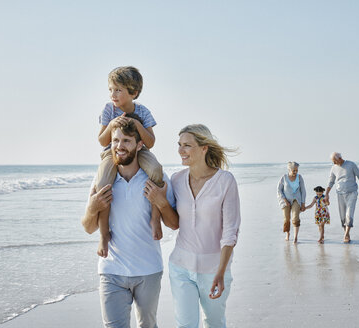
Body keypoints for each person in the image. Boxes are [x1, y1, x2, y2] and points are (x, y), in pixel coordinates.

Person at [81, 117, 178, 328]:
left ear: (139, 144)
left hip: (148, 270)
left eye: (126, 141)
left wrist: (161, 203)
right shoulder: (102, 179)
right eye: (115, 141)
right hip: (111, 270)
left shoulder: (156, 178)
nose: (119, 146)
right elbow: (88, 227)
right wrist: (93, 207)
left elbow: (173, 224)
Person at [144, 124, 241, 328]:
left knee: (214, 323)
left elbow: (230, 232)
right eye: (179, 145)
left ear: (204, 148)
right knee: (185, 325)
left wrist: (221, 272)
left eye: (187, 145)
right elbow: (174, 224)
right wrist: (160, 203)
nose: (181, 150)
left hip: (214, 270)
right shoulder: (177, 180)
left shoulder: (225, 181)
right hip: (181, 267)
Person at [95, 66, 164, 258]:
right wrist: (111, 125)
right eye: (111, 89)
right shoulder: (109, 109)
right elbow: (102, 141)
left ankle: (155, 219)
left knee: (157, 170)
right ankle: (103, 234)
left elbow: (150, 142)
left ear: (133, 92)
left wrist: (137, 125)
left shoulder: (142, 111)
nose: (113, 94)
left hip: (139, 150)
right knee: (101, 185)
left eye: (118, 90)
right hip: (112, 152)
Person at [325, 152, 359, 243]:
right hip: (340, 194)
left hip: (352, 193)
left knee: (349, 214)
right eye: (333, 162)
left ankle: (346, 234)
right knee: (342, 216)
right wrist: (327, 194)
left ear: (339, 158)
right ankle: (346, 232)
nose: (334, 163)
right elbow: (331, 181)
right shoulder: (334, 168)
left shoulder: (351, 165)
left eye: (334, 161)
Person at [277, 161, 307, 243]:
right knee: (287, 219)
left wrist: (303, 203)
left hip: (296, 200)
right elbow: (279, 190)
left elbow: (303, 191)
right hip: (285, 200)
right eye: (294, 170)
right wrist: (284, 200)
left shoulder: (300, 177)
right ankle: (287, 234)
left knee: (295, 218)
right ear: (289, 170)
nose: (296, 172)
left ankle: (295, 237)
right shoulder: (284, 177)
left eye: (297, 170)